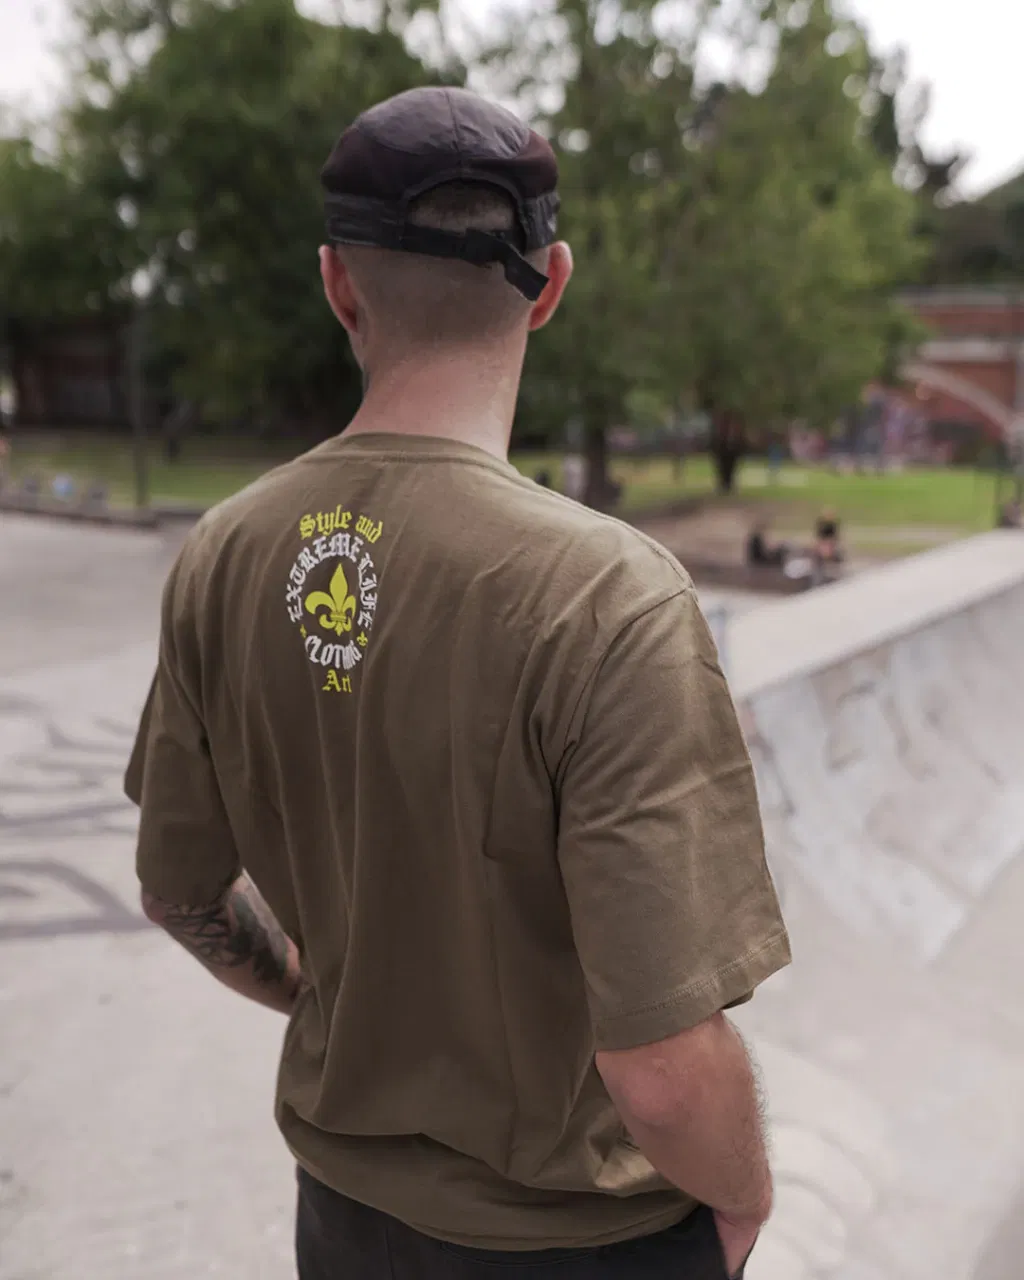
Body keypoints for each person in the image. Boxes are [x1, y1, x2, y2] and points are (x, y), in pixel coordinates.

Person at [125, 86, 790, 1280]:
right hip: (582, 1245)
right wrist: (742, 1198)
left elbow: (180, 891)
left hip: (344, 1220)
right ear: (550, 284)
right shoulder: (607, 596)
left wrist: (327, 1001)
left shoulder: (224, 551)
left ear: (338, 284)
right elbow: (660, 1065)